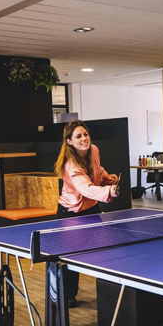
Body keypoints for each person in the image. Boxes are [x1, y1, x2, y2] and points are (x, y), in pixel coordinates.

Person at [55, 120, 120, 306]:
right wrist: (108, 191)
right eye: (78, 136)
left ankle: (109, 291)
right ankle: (67, 296)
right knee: (71, 257)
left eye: (85, 134)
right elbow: (86, 188)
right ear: (69, 141)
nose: (84, 138)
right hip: (71, 212)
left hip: (91, 208)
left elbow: (97, 170)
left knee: (104, 249)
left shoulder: (94, 150)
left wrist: (107, 178)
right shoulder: (71, 165)